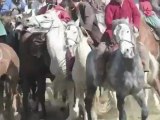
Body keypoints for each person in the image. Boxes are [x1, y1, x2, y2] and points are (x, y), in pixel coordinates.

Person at [94, 0, 149, 85]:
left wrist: (136, 26)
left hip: (128, 33)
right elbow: (108, 22)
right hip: (114, 33)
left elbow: (136, 14)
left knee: (142, 48)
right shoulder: (110, 6)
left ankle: (145, 74)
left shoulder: (130, 2)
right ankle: (100, 75)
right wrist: (118, 27)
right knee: (100, 50)